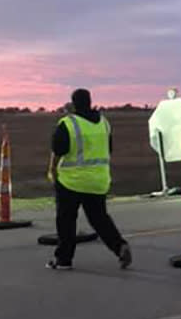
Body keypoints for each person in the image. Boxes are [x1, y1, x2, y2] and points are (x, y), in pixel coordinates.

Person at [46, 88, 132, 270]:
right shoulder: (104, 123)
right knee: (99, 218)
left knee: (66, 220)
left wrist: (52, 170)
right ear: (90, 101)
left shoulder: (68, 124)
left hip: (71, 181)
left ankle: (64, 259)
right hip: (98, 181)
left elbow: (58, 150)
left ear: (73, 103)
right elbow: (108, 150)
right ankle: (119, 246)